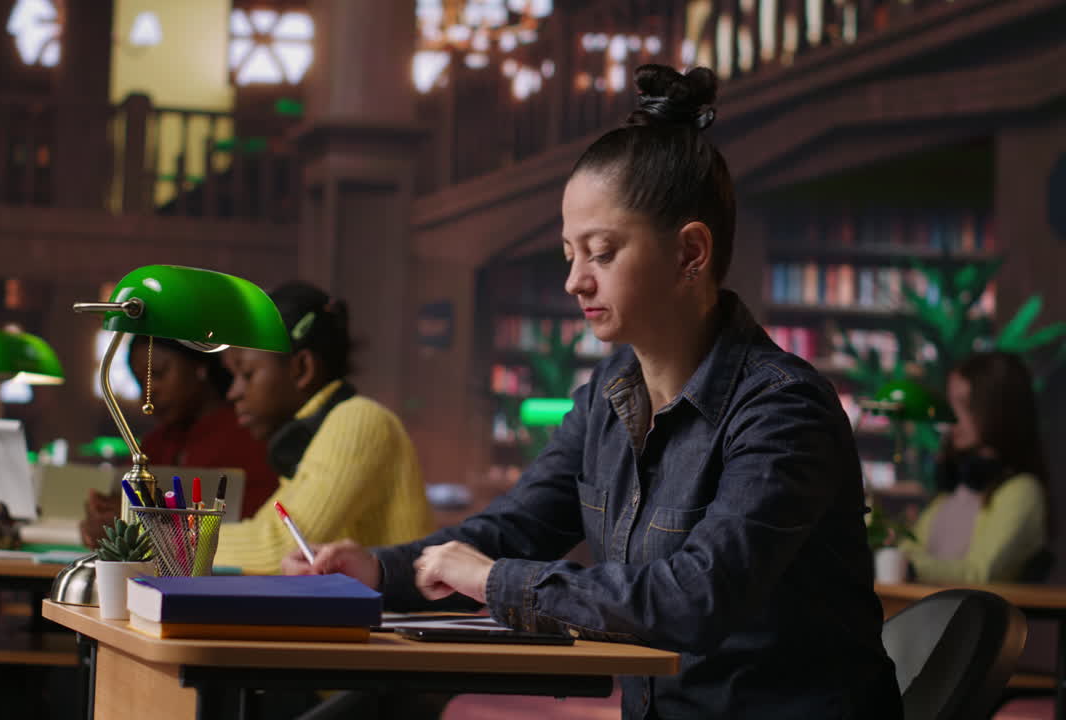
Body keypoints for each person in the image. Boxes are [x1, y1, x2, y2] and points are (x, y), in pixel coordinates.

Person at [284, 65, 903, 719]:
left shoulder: (782, 411)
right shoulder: (608, 394)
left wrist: (491, 580)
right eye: (567, 254)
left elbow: (693, 599)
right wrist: (379, 571)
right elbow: (518, 527)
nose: (574, 282)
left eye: (601, 252)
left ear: (691, 253)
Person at [213, 281, 436, 574]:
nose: (233, 392)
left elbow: (282, 548)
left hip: (399, 619)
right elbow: (266, 533)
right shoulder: (314, 438)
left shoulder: (359, 419)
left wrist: (161, 538)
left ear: (302, 368)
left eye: (247, 374)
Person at [80, 336, 277, 548]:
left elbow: (253, 528)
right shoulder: (151, 446)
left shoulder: (250, 437)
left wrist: (141, 524)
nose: (148, 392)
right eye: (140, 381)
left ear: (199, 366)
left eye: (158, 374)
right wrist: (104, 519)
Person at [900, 351, 1049, 583]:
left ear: (999, 408)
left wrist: (908, 566)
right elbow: (910, 545)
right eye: (951, 403)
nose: (951, 416)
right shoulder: (958, 490)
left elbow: (980, 573)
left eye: (965, 404)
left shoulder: (1022, 492)